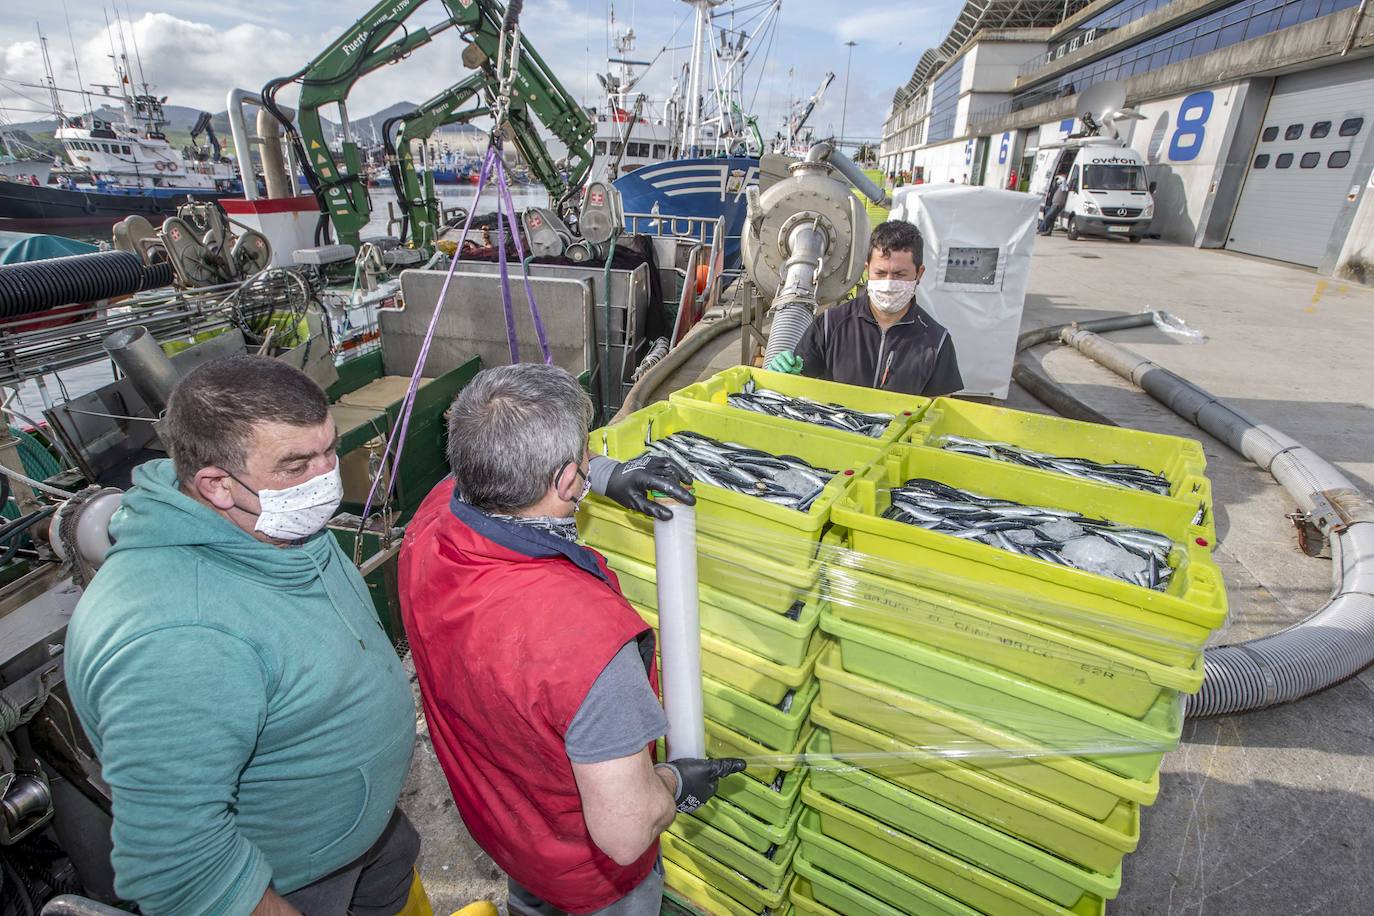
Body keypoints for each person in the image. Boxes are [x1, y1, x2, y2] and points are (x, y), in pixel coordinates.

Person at [66, 356, 428, 916]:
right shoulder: (178, 635)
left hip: (363, 837)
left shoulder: (271, 522)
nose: (326, 477)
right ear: (214, 484)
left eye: (329, 450)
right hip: (296, 882)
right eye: (296, 465)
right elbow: (183, 864)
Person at [399, 364, 746, 916]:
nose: (589, 467)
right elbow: (627, 832)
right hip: (589, 877)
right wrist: (675, 782)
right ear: (564, 481)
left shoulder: (431, 522)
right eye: (585, 460)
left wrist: (609, 476)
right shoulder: (585, 642)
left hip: (506, 824)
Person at [765, 219, 963, 397]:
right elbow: (798, 381)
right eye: (880, 272)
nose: (888, 283)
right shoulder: (830, 325)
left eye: (900, 274)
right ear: (867, 269)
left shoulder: (937, 342)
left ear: (919, 274)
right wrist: (786, 373)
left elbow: (938, 408)